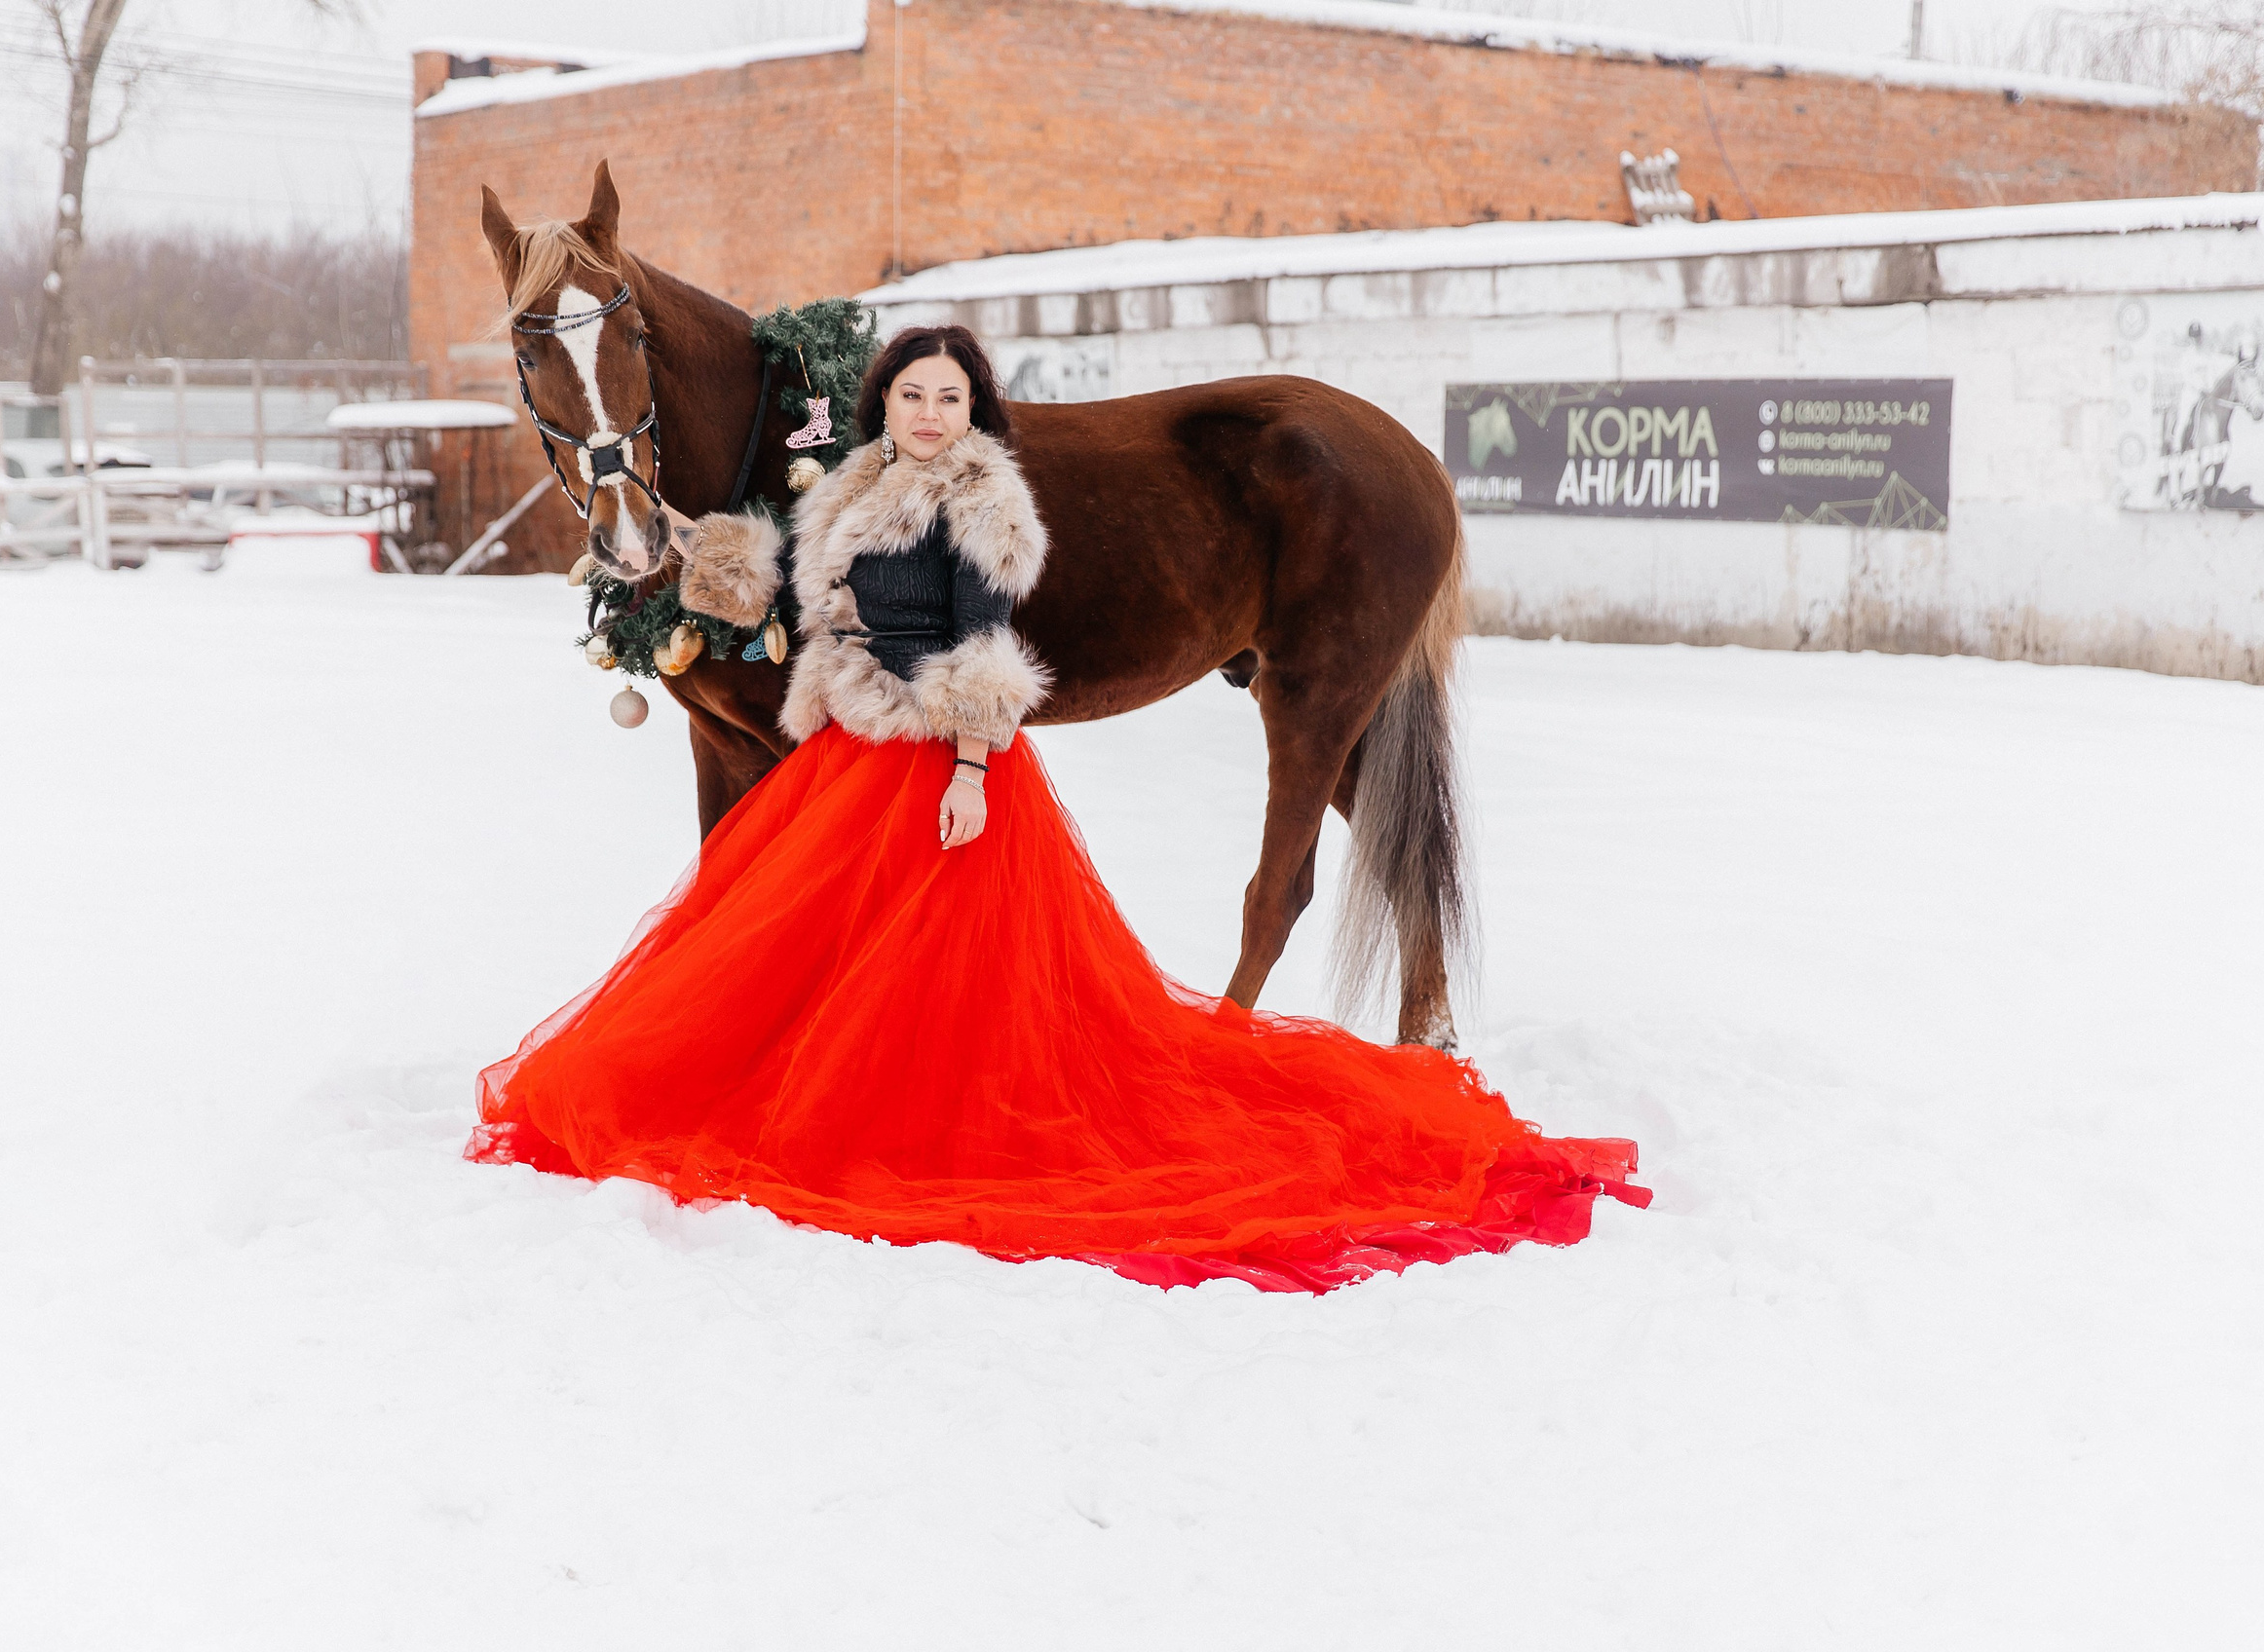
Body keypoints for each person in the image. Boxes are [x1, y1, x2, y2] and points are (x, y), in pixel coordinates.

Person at [469, 324, 1647, 1293]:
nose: (927, 413)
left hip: (939, 756)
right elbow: (794, 584)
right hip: (858, 750)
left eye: (947, 397)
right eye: (911, 395)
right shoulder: (851, 487)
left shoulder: (982, 500)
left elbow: (985, 638)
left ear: (971, 406)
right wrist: (675, 544)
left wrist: (975, 767)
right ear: (883, 403)